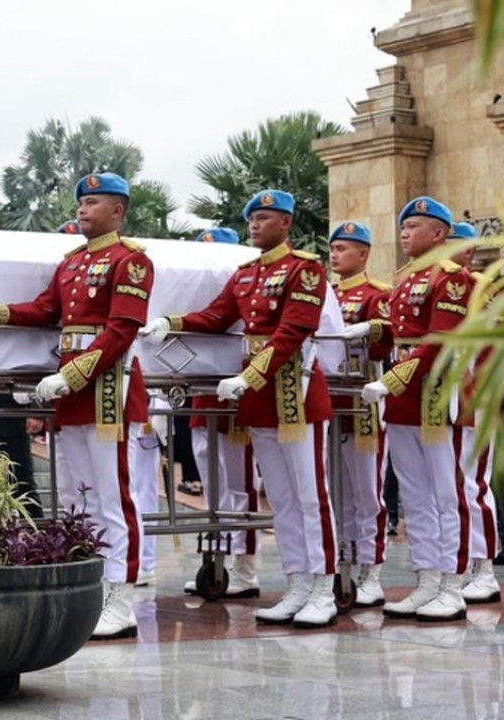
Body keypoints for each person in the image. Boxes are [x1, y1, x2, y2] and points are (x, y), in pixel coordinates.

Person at [0, 172, 154, 639]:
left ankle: (120, 594)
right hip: (70, 393)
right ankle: (87, 584)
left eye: (94, 202)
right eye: (81, 202)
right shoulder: (71, 263)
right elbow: (47, 309)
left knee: (114, 497)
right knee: (76, 495)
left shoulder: (130, 262)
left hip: (106, 388)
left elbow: (121, 330)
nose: (83, 209)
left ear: (118, 210)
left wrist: (70, 375)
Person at [143, 189, 337, 629]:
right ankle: (298, 584)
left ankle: (323, 585)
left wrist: (250, 377)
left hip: (295, 394)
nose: (255, 224)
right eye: (252, 217)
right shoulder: (246, 274)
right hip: (260, 397)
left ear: (286, 223)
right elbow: (217, 316)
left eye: (265, 217)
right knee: (284, 501)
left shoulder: (304, 269)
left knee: (310, 497)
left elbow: (293, 332)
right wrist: (171, 322)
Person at [357, 197, 474, 621]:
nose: (405, 233)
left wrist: (390, 380)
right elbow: (397, 337)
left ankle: (453, 582)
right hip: (403, 395)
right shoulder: (406, 281)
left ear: (439, 234)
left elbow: (438, 340)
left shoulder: (453, 279)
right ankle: (428, 578)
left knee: (447, 492)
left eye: (415, 226)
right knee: (415, 496)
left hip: (437, 392)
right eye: (404, 226)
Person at [181, 227, 263, 601]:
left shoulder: (249, 284)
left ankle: (245, 568)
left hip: (236, 400)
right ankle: (218, 561)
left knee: (240, 487)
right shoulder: (205, 285)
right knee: (214, 492)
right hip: (205, 400)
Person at [329, 221, 393, 607]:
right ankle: (341, 562)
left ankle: (371, 569)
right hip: (331, 403)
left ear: (364, 253)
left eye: (343, 249)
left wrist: (368, 330)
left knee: (366, 493)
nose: (335, 255)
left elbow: (386, 342)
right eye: (333, 249)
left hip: (363, 405)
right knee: (336, 493)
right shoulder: (327, 295)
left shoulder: (376, 296)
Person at [447, 220, 502, 605]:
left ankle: (485, 569)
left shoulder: (476, 288)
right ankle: (464, 561)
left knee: (473, 484)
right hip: (451, 394)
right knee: (452, 486)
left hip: (475, 393)